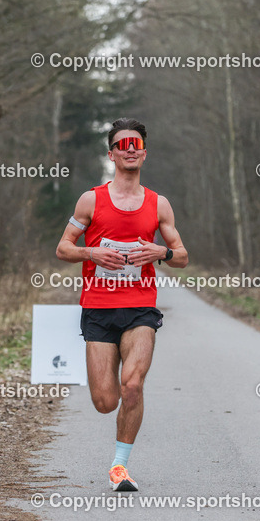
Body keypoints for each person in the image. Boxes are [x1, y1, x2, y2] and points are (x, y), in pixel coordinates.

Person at [55, 117, 188, 491]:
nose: (131, 151)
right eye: (123, 146)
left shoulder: (158, 204)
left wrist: (161, 251)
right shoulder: (91, 199)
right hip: (98, 308)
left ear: (144, 152)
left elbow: (181, 256)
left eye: (137, 145)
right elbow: (63, 248)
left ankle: (119, 467)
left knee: (132, 385)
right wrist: (90, 252)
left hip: (140, 308)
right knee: (105, 400)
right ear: (111, 153)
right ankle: (108, 384)